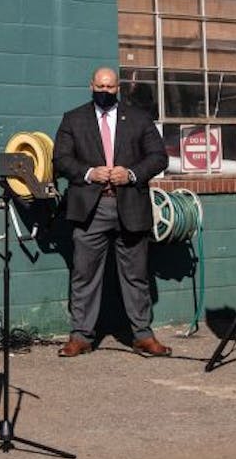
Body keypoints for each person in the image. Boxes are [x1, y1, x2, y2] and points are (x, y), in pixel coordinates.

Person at [52, 67, 171, 359]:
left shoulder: (140, 118)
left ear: (118, 88)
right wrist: (90, 173)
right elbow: (61, 158)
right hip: (91, 208)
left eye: (110, 87)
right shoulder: (74, 119)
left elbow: (159, 157)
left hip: (129, 204)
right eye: (100, 86)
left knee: (136, 275)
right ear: (90, 85)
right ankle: (81, 336)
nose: (105, 92)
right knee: (84, 274)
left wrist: (130, 174)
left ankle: (142, 335)